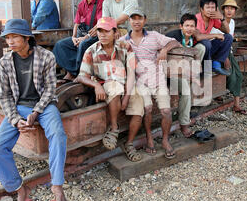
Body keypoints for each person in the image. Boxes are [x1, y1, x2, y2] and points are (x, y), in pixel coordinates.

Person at [0, 19, 68, 201]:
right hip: (18, 106)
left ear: (27, 38)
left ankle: (57, 187)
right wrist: (16, 119)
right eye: (7, 37)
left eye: (15, 36)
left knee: (58, 135)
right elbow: (4, 95)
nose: (10, 41)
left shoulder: (46, 56)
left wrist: (35, 111)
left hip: (44, 105)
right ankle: (20, 190)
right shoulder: (5, 62)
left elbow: (51, 89)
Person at [75, 17, 143, 162]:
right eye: (100, 31)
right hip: (106, 84)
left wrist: (127, 96)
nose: (102, 35)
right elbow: (82, 76)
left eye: (106, 31)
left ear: (115, 32)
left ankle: (129, 143)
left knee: (138, 103)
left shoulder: (125, 47)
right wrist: (96, 85)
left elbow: (131, 73)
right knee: (113, 86)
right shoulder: (91, 51)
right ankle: (114, 128)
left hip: (126, 84)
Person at [120, 10, 181, 159]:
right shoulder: (123, 41)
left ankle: (165, 140)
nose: (136, 21)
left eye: (139, 18)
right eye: (133, 19)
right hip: (139, 82)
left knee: (166, 111)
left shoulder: (153, 36)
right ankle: (149, 137)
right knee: (147, 108)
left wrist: (164, 50)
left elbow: (175, 41)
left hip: (157, 79)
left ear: (144, 20)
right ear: (129, 21)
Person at [53, 0, 103, 82]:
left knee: (83, 44)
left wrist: (85, 37)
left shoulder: (100, 3)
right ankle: (72, 71)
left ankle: (79, 74)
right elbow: (76, 22)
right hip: (83, 35)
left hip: (96, 35)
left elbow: (100, 24)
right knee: (60, 45)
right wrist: (73, 36)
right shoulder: (81, 4)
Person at [165, 13, 205, 138]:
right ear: (181, 26)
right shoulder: (172, 36)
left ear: (195, 28)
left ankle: (191, 78)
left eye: (192, 26)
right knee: (186, 92)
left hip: (186, 71)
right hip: (171, 73)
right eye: (186, 25)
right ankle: (184, 124)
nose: (189, 28)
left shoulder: (193, 39)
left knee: (201, 48)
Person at [211, 0, 246, 114]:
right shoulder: (218, 22)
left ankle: (236, 105)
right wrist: (225, 57)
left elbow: (229, 40)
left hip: (227, 52)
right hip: (217, 52)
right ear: (223, 10)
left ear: (235, 11)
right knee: (230, 75)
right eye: (227, 8)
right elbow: (215, 40)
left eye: (232, 8)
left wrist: (228, 55)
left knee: (238, 75)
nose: (229, 11)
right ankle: (219, 94)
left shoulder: (232, 22)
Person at [194, 0, 233, 76]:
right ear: (201, 9)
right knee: (205, 42)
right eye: (208, 7)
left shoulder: (213, 19)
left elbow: (227, 31)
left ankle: (216, 64)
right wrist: (216, 35)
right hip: (196, 51)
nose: (210, 10)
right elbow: (198, 37)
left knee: (228, 37)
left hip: (207, 49)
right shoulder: (196, 19)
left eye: (213, 7)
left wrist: (222, 18)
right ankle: (204, 68)